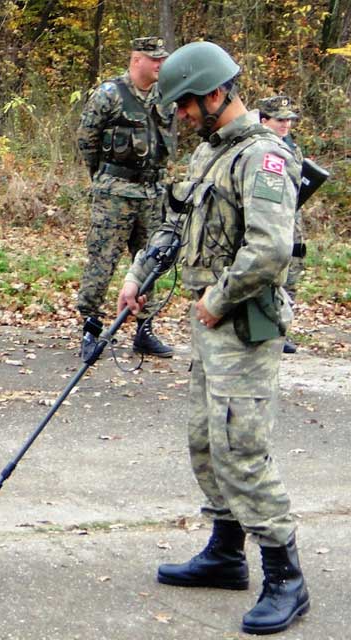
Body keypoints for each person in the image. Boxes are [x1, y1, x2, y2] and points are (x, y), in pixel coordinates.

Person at [117, 42, 309, 635]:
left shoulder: (264, 158)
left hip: (243, 327)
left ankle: (286, 577)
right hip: (210, 329)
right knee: (205, 441)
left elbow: (271, 249)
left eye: (185, 106)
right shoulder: (210, 155)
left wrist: (218, 299)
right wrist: (137, 274)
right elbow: (176, 224)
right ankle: (226, 554)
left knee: (242, 449)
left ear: (216, 93)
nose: (180, 116)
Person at [75, 36, 176, 359]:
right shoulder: (110, 94)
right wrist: (103, 177)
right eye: (154, 59)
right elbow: (86, 138)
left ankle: (144, 330)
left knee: (151, 260)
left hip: (152, 193)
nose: (160, 64)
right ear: (136, 60)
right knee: (102, 260)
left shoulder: (165, 97)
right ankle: (91, 328)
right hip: (115, 193)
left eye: (162, 59)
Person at [258, 95, 304, 354]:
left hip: (292, 216)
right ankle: (265, 328)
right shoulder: (259, 148)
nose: (286, 124)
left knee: (292, 271)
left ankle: (282, 328)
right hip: (269, 217)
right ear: (264, 120)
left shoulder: (291, 147)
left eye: (289, 120)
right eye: (280, 120)